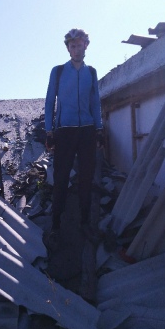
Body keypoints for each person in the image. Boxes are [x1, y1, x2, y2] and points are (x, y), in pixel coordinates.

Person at [44, 28, 104, 250]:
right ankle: (56, 226)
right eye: (72, 46)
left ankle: (85, 223)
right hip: (65, 131)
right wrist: (49, 131)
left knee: (87, 179)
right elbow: (50, 101)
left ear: (86, 46)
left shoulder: (92, 72)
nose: (77, 49)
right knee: (61, 179)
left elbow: (95, 103)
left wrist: (99, 129)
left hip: (87, 131)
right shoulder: (58, 71)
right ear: (68, 49)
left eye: (80, 45)